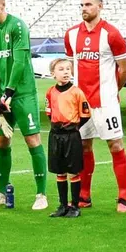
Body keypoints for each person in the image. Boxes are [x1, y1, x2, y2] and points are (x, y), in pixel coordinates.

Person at [0, 0, 47, 210]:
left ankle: (41, 194)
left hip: (23, 94)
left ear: (2, 5)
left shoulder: (17, 25)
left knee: (32, 139)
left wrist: (8, 91)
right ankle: (1, 191)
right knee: (1, 141)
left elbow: (19, 62)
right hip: (3, 96)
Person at [66, 0, 126, 211]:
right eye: (81, 4)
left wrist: (113, 90)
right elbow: (72, 66)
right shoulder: (72, 34)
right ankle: (84, 195)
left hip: (106, 102)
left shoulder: (111, 34)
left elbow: (124, 69)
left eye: (88, 4)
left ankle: (123, 198)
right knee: (84, 145)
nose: (84, 8)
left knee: (115, 145)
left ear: (100, 6)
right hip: (81, 103)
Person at [44, 56, 92, 218]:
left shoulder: (77, 92)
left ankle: (75, 206)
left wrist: (73, 127)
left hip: (71, 135)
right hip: (56, 136)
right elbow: (49, 113)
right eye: (61, 69)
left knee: (73, 171)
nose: (65, 72)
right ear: (53, 74)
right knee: (60, 171)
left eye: (67, 69)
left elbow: (85, 114)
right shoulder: (51, 92)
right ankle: (62, 205)